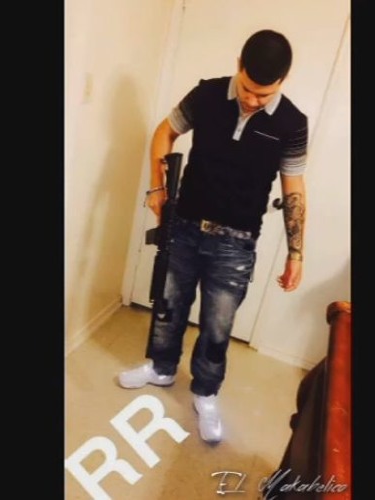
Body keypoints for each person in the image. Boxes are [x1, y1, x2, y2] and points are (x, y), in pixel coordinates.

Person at [119, 29, 308, 444]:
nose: (252, 100)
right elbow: (164, 132)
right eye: (247, 88)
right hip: (185, 225)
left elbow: (293, 187)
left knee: (217, 326)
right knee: (168, 306)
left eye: (263, 94)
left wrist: (296, 253)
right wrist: (158, 187)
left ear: (282, 80)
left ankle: (205, 393)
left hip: (236, 242)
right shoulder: (206, 94)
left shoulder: (293, 123)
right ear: (239, 66)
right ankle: (161, 368)